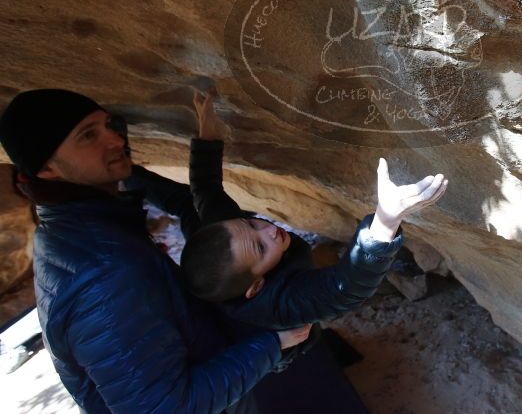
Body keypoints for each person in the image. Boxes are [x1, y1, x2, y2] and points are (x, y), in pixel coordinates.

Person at [0, 89, 310, 413]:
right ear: (46, 168)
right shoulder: (104, 277)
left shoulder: (79, 226)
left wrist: (205, 142)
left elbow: (191, 207)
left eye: (110, 124)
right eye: (88, 136)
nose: (116, 140)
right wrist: (271, 345)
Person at [126, 88, 448, 342]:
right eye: (261, 247)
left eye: (251, 222)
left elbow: (205, 188)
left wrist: (206, 124)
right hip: (267, 341)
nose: (267, 231)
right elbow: (345, 287)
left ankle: (130, 176)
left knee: (189, 204)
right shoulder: (283, 303)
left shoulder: (229, 237)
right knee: (301, 338)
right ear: (256, 286)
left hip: (237, 276)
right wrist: (385, 220)